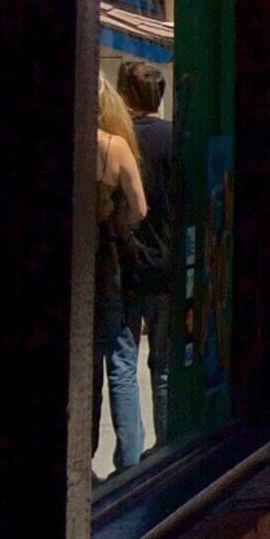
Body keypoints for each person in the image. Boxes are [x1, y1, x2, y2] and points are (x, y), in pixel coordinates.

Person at [92, 74, 151, 473]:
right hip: (109, 262)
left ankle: (81, 453)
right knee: (121, 359)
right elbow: (139, 208)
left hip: (77, 268)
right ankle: (129, 459)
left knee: (84, 364)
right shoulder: (114, 146)